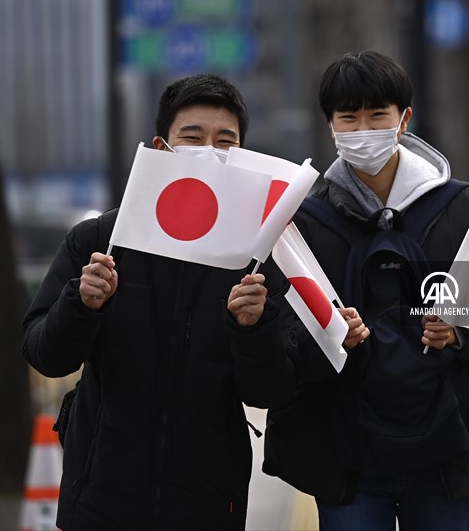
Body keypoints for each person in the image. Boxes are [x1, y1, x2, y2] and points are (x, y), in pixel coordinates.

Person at [263, 51, 469, 531]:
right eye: (348, 117)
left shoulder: (461, 208)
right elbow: (276, 336)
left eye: (377, 115)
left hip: (443, 453)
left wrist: (459, 337)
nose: (363, 130)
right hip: (343, 455)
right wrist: (332, 336)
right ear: (330, 125)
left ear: (404, 118)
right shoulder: (301, 222)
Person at [22, 75, 296, 530]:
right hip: (101, 496)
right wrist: (82, 305)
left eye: (225, 141)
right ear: (160, 147)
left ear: (243, 157)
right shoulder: (101, 241)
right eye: (192, 137)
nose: (209, 151)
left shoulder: (257, 257)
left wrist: (253, 328)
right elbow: (44, 354)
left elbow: (271, 390)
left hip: (207, 500)